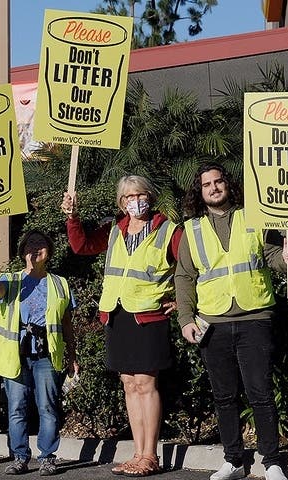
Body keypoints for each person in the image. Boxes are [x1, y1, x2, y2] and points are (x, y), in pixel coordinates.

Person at [173, 163, 288, 480]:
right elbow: (185, 278)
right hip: (211, 324)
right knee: (224, 396)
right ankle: (234, 460)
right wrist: (186, 318)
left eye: (218, 182)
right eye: (206, 184)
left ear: (228, 185)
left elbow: (272, 256)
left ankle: (271, 462)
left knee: (261, 393)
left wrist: (287, 259)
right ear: (199, 192)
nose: (213, 187)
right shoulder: (192, 230)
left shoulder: (253, 217)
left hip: (254, 318)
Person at [61, 176, 182, 477]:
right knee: (129, 385)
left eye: (140, 194)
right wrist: (72, 217)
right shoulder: (115, 229)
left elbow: (192, 267)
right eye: (128, 196)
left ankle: (150, 456)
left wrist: (182, 300)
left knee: (146, 384)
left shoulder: (168, 230)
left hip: (148, 316)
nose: (135, 200)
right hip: (117, 315)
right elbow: (81, 246)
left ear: (150, 197)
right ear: (121, 202)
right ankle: (137, 452)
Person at [0, 229, 78, 476]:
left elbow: (66, 323)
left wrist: (72, 355)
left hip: (46, 355)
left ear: (49, 251)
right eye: (30, 244)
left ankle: (47, 457)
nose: (35, 248)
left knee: (48, 407)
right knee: (16, 408)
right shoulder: (11, 280)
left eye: (41, 244)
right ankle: (19, 457)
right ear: (22, 252)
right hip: (16, 355)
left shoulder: (60, 283)